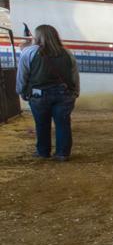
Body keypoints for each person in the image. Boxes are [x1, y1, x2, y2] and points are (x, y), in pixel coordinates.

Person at [15, 24, 80, 161]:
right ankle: (62, 153)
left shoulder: (29, 52)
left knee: (42, 123)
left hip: (39, 94)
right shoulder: (67, 53)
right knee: (63, 123)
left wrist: (21, 90)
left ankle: (43, 152)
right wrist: (75, 92)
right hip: (64, 94)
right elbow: (74, 75)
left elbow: (23, 74)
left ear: (38, 36)